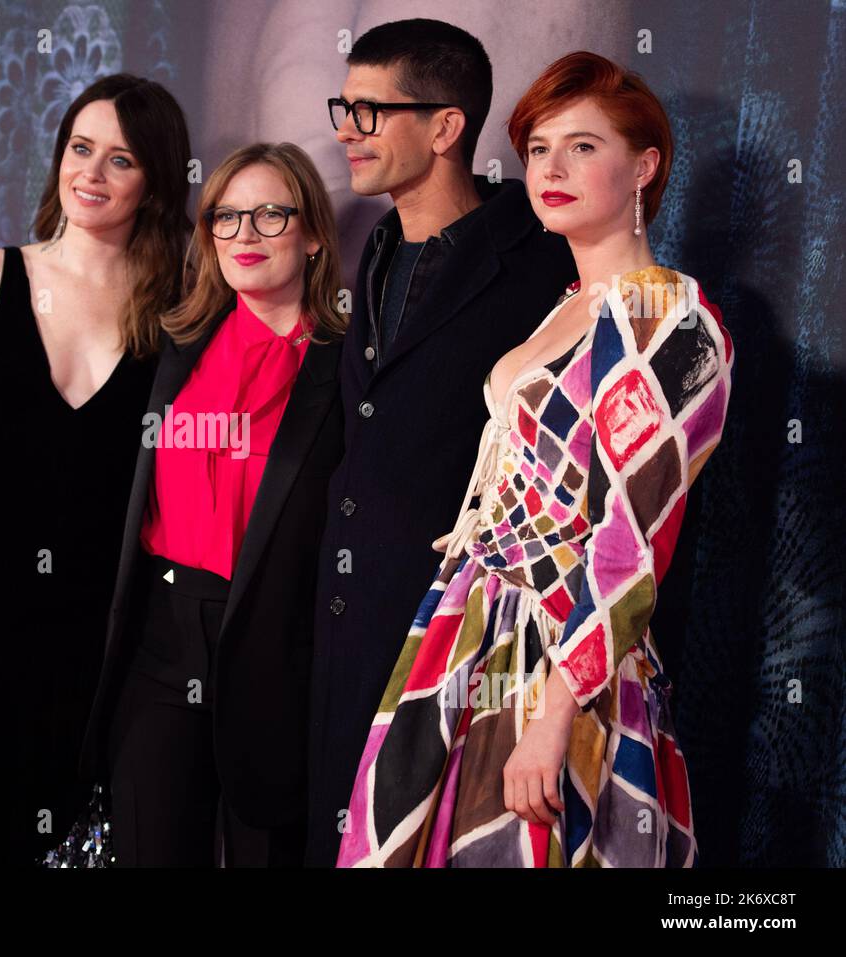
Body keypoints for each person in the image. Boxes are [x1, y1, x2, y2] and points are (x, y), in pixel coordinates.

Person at [336, 51, 734, 867]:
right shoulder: (564, 307)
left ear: (645, 166)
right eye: (539, 148)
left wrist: (555, 715)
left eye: (583, 147)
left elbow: (631, 540)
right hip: (470, 631)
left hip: (565, 656)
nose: (551, 168)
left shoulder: (668, 315)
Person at [0, 74, 193, 866]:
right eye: (80, 150)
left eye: (120, 159)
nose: (91, 173)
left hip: (106, 635)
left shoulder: (181, 305)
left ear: (155, 178)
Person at [307, 18, 577, 865]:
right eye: (342, 108)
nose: (346, 131)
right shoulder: (375, 247)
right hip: (346, 630)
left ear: (447, 126)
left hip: (464, 644)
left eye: (370, 111)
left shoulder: (543, 266)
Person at [79, 143, 347, 866]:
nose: (245, 236)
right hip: (163, 641)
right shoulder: (173, 345)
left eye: (269, 215)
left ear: (314, 233)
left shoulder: (349, 367)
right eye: (226, 218)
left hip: (276, 648)